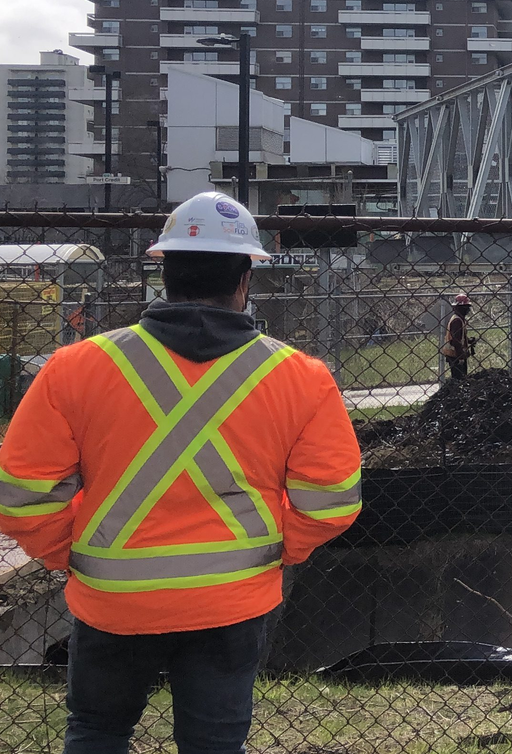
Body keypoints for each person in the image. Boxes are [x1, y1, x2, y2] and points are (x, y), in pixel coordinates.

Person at [0, 192, 362, 753]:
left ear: (162, 269)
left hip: (112, 598)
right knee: (214, 744)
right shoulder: (301, 377)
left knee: (97, 731)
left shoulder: (75, 368)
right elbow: (332, 502)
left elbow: (24, 496)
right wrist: (275, 549)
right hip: (231, 601)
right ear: (246, 276)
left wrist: (66, 552)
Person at [441, 293, 473, 381]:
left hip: (455, 354)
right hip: (455, 355)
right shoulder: (457, 321)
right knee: (459, 379)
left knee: (459, 379)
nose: (468, 310)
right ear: (460, 308)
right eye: (466, 307)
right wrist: (461, 357)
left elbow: (459, 337)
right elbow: (455, 341)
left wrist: (468, 341)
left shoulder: (459, 319)